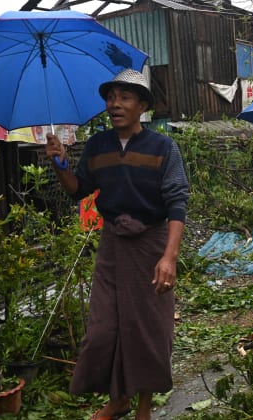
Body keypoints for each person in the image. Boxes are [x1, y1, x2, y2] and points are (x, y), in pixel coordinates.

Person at [44, 68, 189, 420]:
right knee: (104, 328)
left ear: (142, 106)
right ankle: (118, 398)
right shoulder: (98, 146)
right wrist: (60, 164)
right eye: (110, 97)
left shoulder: (163, 147)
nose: (115, 104)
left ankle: (143, 406)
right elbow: (78, 190)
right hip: (113, 245)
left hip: (151, 244)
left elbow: (177, 203)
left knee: (148, 329)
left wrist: (169, 258)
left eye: (124, 97)